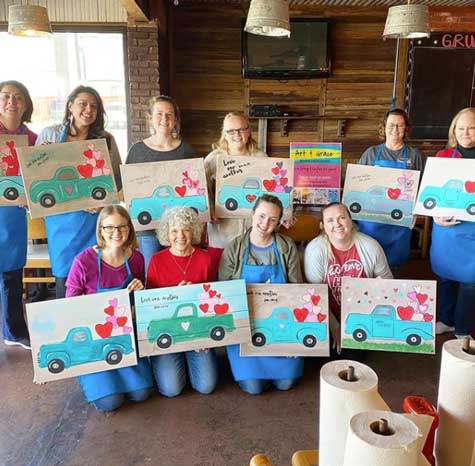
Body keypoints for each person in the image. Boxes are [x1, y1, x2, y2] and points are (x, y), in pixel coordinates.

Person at [36, 85, 122, 298]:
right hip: (61, 218)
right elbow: (35, 176)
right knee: (65, 275)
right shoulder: (51, 134)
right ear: (70, 106)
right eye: (83, 103)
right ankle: (67, 323)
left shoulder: (106, 139)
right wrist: (40, 156)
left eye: (94, 106)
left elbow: (117, 181)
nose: (88, 109)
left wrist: (103, 203)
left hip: (94, 218)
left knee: (95, 272)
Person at [65, 205, 154, 411]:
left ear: (130, 229)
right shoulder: (83, 261)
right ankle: (89, 377)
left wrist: (141, 291)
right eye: (109, 227)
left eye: (122, 227)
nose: (116, 233)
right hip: (92, 340)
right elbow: (69, 305)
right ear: (100, 230)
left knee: (141, 394)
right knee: (109, 402)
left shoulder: (137, 258)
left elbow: (139, 302)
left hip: (123, 335)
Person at [219, 194, 303, 395]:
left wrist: (293, 340)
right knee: (253, 388)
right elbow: (223, 291)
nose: (265, 224)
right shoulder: (234, 247)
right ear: (252, 214)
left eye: (273, 219)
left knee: (286, 384)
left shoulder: (286, 247)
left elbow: (296, 291)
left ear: (278, 222)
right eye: (262, 216)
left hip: (279, 323)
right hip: (246, 326)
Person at [146, 207, 218, 396]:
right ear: (166, 234)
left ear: (193, 231)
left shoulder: (205, 259)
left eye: (185, 229)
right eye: (174, 230)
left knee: (206, 386)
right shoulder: (156, 261)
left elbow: (212, 301)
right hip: (169, 329)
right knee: (172, 390)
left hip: (197, 329)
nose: (180, 235)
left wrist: (206, 337)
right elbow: (152, 306)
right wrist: (175, 297)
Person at [304, 202, 393, 352]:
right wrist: (335, 327)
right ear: (323, 226)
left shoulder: (371, 246)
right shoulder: (315, 250)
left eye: (342, 218)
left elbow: (388, 281)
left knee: (352, 356)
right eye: (330, 220)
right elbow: (314, 295)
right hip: (326, 315)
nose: (337, 224)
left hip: (361, 316)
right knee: (321, 354)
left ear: (351, 221)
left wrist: (378, 288)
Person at [126, 96, 197, 270]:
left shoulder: (186, 150)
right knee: (152, 272)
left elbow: (196, 187)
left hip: (179, 229)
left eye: (169, 114)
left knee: (177, 270)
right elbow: (128, 187)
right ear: (150, 118)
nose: (164, 119)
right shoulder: (137, 151)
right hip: (147, 229)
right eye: (159, 114)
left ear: (175, 119)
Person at [357, 109, 424, 270]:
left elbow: (423, 187)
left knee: (394, 267)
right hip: (371, 220)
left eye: (400, 126)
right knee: (369, 264)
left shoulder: (415, 155)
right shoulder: (371, 153)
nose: (395, 130)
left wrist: (416, 210)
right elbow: (357, 183)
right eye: (391, 125)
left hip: (400, 222)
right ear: (384, 127)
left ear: (406, 129)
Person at [431, 107, 475, 338]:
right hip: (446, 230)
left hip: (473, 231)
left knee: (471, 282)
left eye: (471, 127)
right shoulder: (443, 158)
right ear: (453, 131)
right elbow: (432, 196)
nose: (465, 132)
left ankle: (462, 327)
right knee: (446, 277)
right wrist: (435, 215)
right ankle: (446, 320)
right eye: (461, 128)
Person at [0, 80, 36, 350]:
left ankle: (13, 331)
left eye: (18, 97)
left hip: (13, 217)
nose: (12, 101)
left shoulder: (31, 139)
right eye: (6, 96)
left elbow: (37, 177)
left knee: (12, 276)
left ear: (26, 105)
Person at [204, 112, 267, 253]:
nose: (237, 134)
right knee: (221, 270)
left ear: (249, 131)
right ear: (224, 134)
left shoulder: (262, 158)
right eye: (231, 131)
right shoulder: (213, 159)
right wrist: (210, 210)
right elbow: (203, 190)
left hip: (253, 230)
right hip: (222, 232)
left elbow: (270, 193)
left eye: (241, 129)